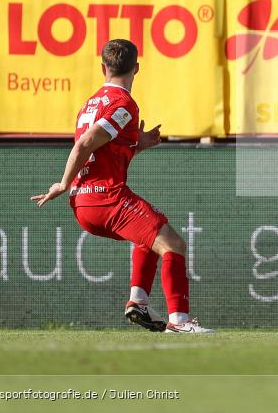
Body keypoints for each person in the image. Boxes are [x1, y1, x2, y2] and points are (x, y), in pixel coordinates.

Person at [31, 39, 214, 334]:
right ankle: (179, 322)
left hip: (83, 203)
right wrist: (62, 183)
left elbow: (100, 151)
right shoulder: (123, 103)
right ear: (136, 69)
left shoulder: (90, 103)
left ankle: (138, 303)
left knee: (150, 236)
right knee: (173, 244)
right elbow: (85, 144)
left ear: (103, 67)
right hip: (104, 197)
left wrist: (136, 145)